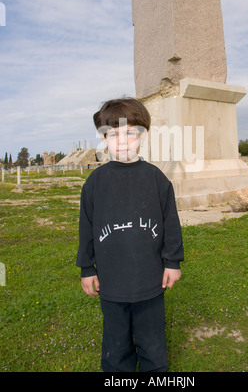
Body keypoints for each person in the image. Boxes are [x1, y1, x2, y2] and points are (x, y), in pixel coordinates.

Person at [76, 97, 184, 372]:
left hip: (150, 282)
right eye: (112, 134)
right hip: (111, 285)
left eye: (129, 133)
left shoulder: (156, 179)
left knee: (152, 344)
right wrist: (87, 268)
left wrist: (172, 262)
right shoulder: (95, 183)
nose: (122, 141)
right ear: (103, 138)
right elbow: (86, 227)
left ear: (143, 136)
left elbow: (171, 223)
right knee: (116, 347)